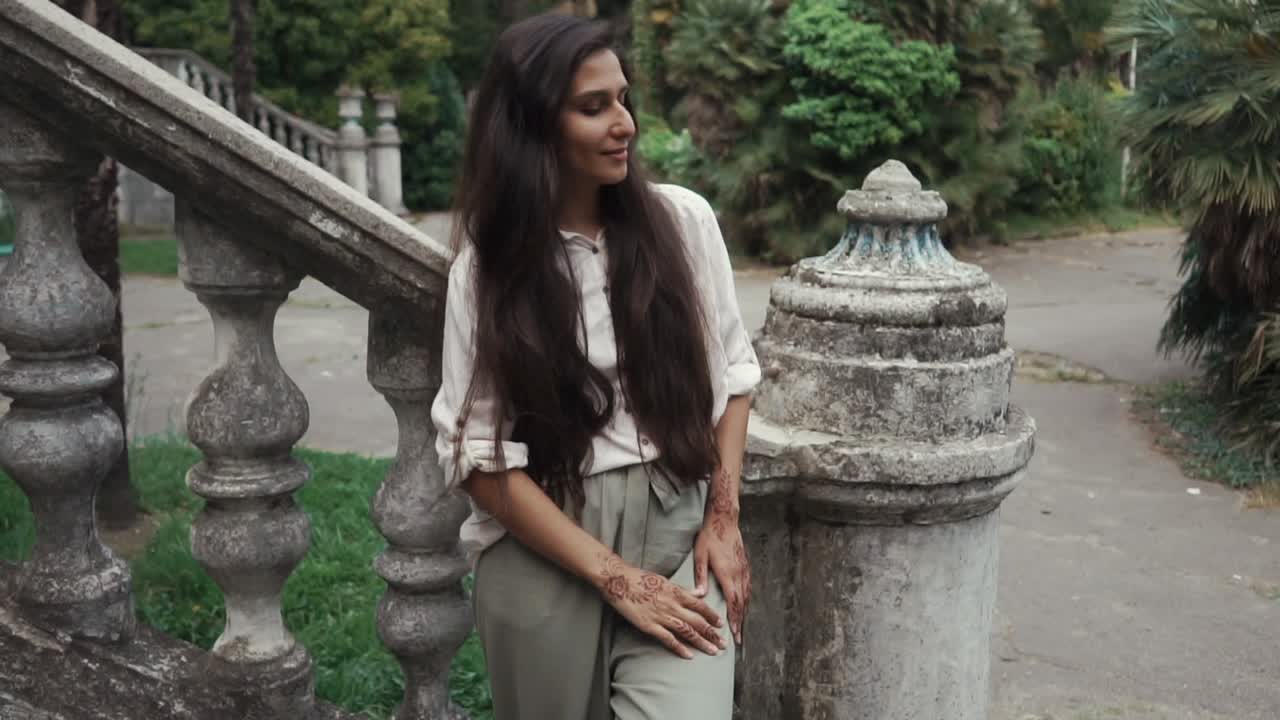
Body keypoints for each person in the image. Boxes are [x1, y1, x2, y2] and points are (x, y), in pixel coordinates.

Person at [430, 12, 760, 720]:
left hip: (678, 537)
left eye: (623, 99)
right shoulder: (489, 274)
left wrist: (724, 518)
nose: (625, 123)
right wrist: (614, 578)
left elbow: (736, 374)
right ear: (532, 128)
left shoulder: (683, 223)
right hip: (549, 552)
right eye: (593, 107)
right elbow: (479, 459)